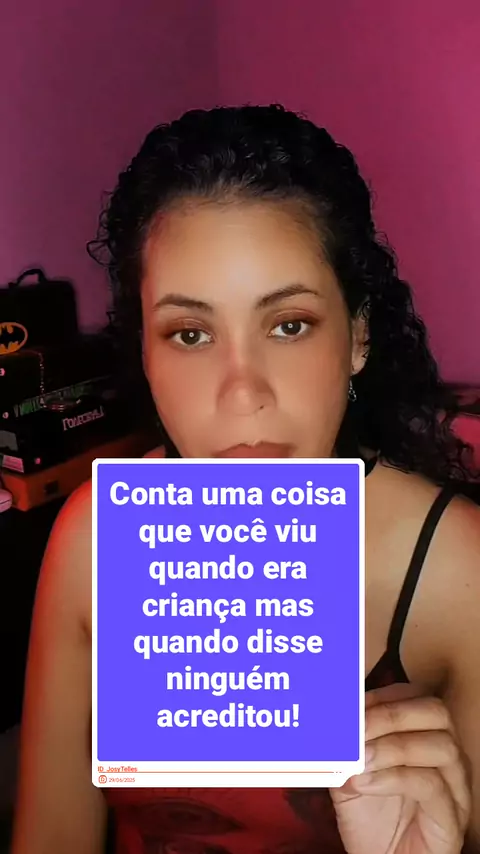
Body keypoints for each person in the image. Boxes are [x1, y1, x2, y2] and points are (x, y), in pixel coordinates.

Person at [11, 104, 480, 854]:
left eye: (288, 324)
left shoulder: (457, 571)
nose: (241, 394)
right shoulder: (94, 538)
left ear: (357, 335)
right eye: (190, 333)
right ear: (145, 355)